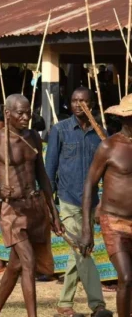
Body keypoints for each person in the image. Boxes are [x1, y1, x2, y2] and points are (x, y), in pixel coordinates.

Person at [0, 94, 62, 317]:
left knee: (14, 265)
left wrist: (52, 210)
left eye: (28, 112)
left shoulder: (33, 136)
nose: (25, 117)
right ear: (7, 113)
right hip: (10, 208)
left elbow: (42, 175)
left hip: (34, 205)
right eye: (20, 113)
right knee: (28, 261)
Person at [46, 87, 112, 317]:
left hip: (92, 204)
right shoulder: (60, 130)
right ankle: (98, 305)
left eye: (83, 101)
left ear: (91, 104)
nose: (77, 104)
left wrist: (101, 203)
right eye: (74, 100)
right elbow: (49, 169)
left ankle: (64, 304)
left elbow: (108, 174)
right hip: (67, 199)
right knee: (82, 249)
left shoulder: (101, 134)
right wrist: (50, 206)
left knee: (78, 253)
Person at [82, 94, 132, 316]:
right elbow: (89, 186)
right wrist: (87, 229)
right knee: (127, 277)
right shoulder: (109, 146)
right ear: (125, 119)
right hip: (114, 222)